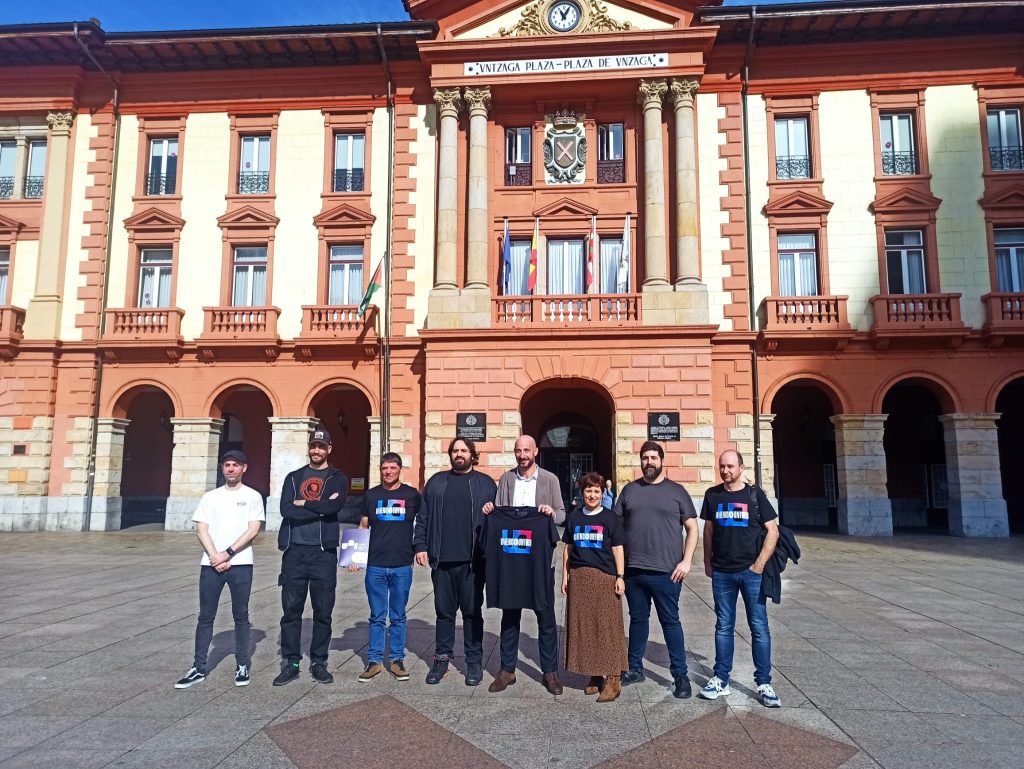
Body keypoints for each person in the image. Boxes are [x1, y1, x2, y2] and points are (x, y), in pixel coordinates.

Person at [614, 441, 699, 698]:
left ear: (662, 460)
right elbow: (615, 529)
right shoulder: (629, 490)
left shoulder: (677, 491)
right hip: (634, 570)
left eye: (653, 457)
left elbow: (692, 528)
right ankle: (635, 669)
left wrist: (686, 561)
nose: (649, 462)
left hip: (667, 571)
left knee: (670, 622)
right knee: (638, 620)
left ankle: (680, 675)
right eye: (645, 458)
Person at [482, 435, 565, 695]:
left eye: (526, 450)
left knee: (545, 615)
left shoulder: (550, 479)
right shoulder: (507, 479)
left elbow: (562, 514)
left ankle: (550, 671)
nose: (522, 455)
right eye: (518, 451)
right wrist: (490, 510)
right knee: (510, 615)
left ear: (535, 451)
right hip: (511, 558)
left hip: (540, 560)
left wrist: (552, 514)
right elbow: (499, 511)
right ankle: (507, 669)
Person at [699, 449, 781, 708]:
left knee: (759, 626)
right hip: (722, 572)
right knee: (723, 626)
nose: (725, 471)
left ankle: (764, 683)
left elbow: (773, 531)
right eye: (722, 466)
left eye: (730, 466)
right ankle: (721, 679)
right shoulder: (712, 495)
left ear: (741, 468)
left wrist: (759, 564)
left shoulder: (754, 496)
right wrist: (707, 561)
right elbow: (708, 531)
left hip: (750, 573)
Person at [175, 450, 264, 689]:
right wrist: (215, 556)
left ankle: (242, 664)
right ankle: (198, 667)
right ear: (222, 468)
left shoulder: (253, 496)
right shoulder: (210, 497)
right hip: (211, 564)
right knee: (205, 616)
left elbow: (253, 529)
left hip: (241, 563)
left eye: (235, 465)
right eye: (227, 465)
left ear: (244, 468)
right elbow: (201, 529)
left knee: (241, 616)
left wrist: (228, 553)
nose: (231, 469)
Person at [414, 437, 496, 686]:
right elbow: (423, 517)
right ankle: (441, 660)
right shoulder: (437, 482)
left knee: (472, 613)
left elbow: (497, 520)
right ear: (450, 455)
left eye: (464, 450)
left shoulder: (486, 484)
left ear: (472, 454)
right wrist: (420, 546)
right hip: (442, 560)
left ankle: (474, 662)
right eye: (455, 450)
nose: (459, 454)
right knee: (444, 613)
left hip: (473, 562)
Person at [273, 427, 348, 686]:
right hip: (294, 552)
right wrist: (320, 507)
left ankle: (319, 661)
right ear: (309, 448)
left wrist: (304, 503)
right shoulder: (294, 477)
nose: (316, 450)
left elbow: (334, 506)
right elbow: (286, 510)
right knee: (291, 611)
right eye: (313, 446)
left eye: (321, 446)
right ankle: (291, 662)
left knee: (323, 611)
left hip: (323, 553)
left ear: (329, 449)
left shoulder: (338, 478)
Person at [354, 452, 422, 683]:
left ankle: (396, 660)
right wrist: (355, 557)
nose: (388, 472)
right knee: (376, 616)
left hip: (402, 565)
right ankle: (373, 661)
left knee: (398, 616)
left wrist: (421, 548)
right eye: (385, 468)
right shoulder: (371, 495)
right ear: (380, 470)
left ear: (400, 469)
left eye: (393, 468)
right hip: (375, 565)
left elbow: (423, 523)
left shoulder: (412, 495)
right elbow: (363, 525)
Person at [561, 472, 627, 702]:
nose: (592, 495)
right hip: (580, 578)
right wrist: (565, 576)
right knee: (586, 629)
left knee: (607, 627)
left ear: (602, 493)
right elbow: (568, 548)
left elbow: (618, 548)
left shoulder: (610, 518)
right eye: (588, 490)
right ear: (583, 492)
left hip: (604, 578)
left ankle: (613, 678)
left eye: (596, 491)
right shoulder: (575, 517)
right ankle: (595, 674)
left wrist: (620, 576)